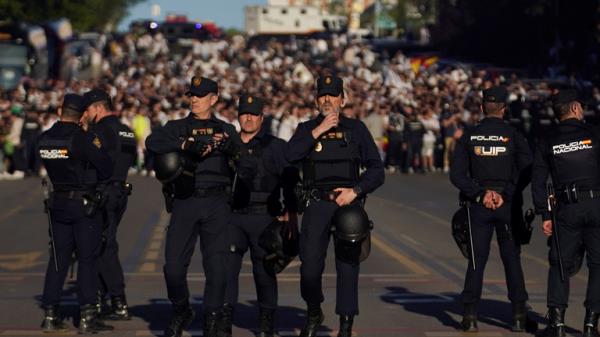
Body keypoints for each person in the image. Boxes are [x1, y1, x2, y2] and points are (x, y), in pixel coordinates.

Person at [286, 74, 384, 337]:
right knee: (309, 268)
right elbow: (290, 157)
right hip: (316, 203)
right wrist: (318, 131)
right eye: (322, 95)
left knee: (348, 265)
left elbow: (377, 169)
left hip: (347, 204)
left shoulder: (356, 129)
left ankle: (346, 323)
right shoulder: (306, 129)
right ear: (316, 100)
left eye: (332, 95)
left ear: (343, 99)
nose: (327, 99)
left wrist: (356, 190)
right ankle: (314, 310)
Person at [145, 76, 240, 337]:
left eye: (200, 95)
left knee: (216, 266)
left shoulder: (226, 130)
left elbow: (244, 161)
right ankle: (181, 308)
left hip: (217, 202)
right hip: (185, 200)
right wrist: (185, 144)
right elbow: (151, 142)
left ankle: (212, 317)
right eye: (192, 95)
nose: (195, 99)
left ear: (214, 98)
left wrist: (230, 146)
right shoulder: (177, 127)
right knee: (173, 267)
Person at [450, 86, 533, 332]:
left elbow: (457, 174)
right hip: (507, 204)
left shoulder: (470, 135)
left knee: (477, 261)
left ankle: (470, 316)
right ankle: (518, 315)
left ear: (483, 106)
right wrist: (506, 193)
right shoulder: (513, 135)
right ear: (504, 108)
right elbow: (527, 168)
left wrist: (480, 193)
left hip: (479, 205)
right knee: (512, 260)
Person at [223, 94, 300, 337]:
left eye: (253, 114)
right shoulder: (227, 144)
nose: (248, 118)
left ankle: (267, 323)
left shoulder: (276, 146)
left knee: (264, 273)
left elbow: (290, 181)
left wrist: (291, 213)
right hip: (232, 217)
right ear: (238, 116)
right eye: (244, 113)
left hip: (265, 218)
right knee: (226, 272)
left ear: (261, 118)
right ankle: (223, 322)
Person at [37, 94, 114, 333]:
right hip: (82, 204)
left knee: (58, 259)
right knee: (87, 260)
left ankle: (50, 313)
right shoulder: (82, 139)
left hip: (57, 201)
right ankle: (87, 315)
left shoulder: (45, 138)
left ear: (61, 110)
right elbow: (106, 167)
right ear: (81, 115)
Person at [531, 89, 600, 337]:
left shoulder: (546, 140)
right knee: (598, 265)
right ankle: (591, 323)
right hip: (596, 206)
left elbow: (537, 180)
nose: (583, 110)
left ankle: (557, 324)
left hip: (566, 210)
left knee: (559, 264)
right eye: (581, 106)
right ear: (573, 108)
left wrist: (544, 214)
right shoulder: (593, 134)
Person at [81, 88, 137, 320]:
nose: (86, 114)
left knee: (103, 245)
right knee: (105, 243)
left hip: (102, 192)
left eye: (87, 109)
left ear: (98, 108)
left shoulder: (99, 131)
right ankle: (105, 295)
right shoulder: (127, 132)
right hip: (120, 192)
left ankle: (116, 298)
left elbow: (91, 162)